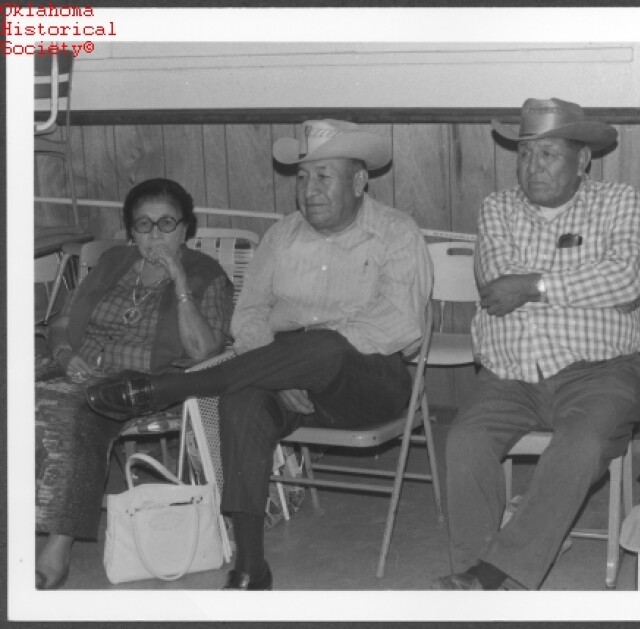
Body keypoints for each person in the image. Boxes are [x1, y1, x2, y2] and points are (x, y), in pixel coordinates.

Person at [87, 120, 433, 590]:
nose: (309, 190)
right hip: (282, 370)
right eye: (302, 177)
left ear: (358, 181)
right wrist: (280, 370)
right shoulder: (282, 235)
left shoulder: (396, 232)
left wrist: (304, 359)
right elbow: (248, 316)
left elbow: (399, 322)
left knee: (325, 346)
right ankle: (251, 564)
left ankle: (171, 387)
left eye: (323, 177)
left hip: (369, 379)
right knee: (243, 398)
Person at [433, 98, 640, 590]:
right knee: (464, 440)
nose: (533, 167)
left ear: (582, 160)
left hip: (600, 372)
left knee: (580, 445)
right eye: (525, 154)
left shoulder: (619, 201)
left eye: (548, 154)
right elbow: (496, 284)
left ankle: (492, 573)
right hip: (510, 374)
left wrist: (533, 285)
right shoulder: (497, 207)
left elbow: (625, 280)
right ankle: (473, 567)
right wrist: (585, 285)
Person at [36, 178, 234, 589]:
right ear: (131, 231)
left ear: (185, 228)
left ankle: (58, 546)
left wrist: (179, 281)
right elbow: (59, 323)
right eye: (144, 224)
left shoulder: (207, 275)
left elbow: (203, 352)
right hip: (74, 368)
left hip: (147, 384)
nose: (155, 234)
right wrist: (66, 355)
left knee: (72, 410)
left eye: (166, 223)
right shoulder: (113, 262)